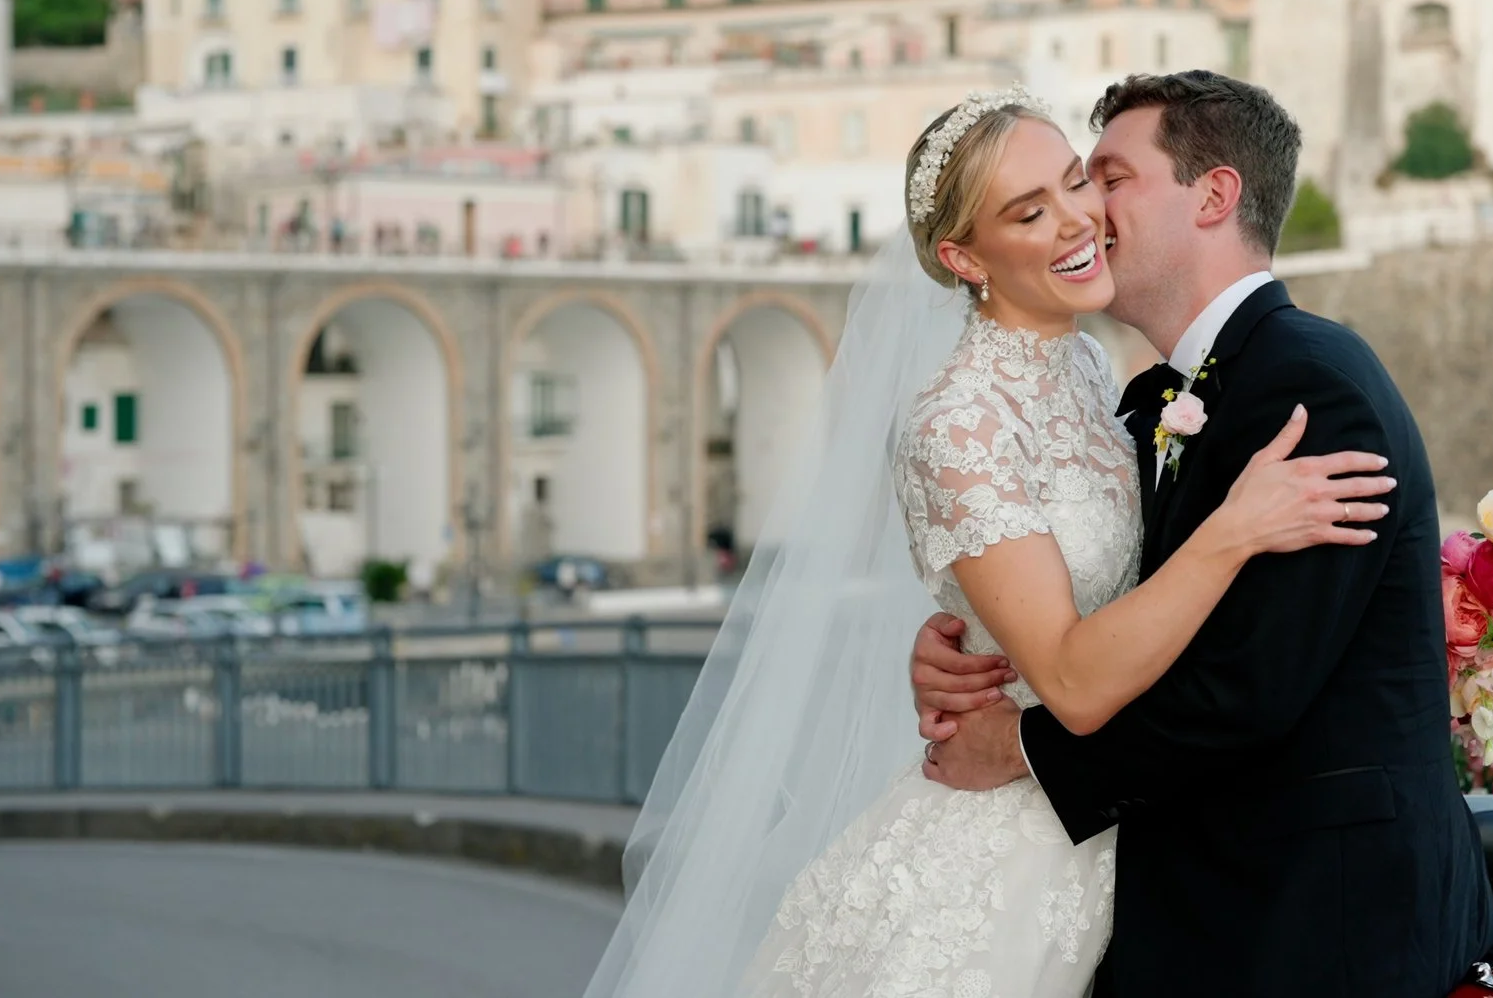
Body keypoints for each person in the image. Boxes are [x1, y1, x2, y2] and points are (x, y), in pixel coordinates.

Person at [582, 86, 1393, 997]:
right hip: (1003, 852)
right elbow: (1078, 681)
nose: (1074, 220)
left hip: (1121, 837)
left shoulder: (1100, 373)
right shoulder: (956, 422)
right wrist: (1232, 531)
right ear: (965, 257)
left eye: (1076, 181)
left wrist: (968, 639)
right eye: (1027, 211)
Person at [912, 71, 1493, 996]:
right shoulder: (1145, 397)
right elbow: (1115, 596)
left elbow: (1243, 688)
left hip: (1319, 923)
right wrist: (979, 638)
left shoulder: (1310, 387)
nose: (1087, 212)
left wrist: (1022, 747)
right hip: (1206, 903)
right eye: (1068, 188)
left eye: (1105, 177)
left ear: (1215, 194)